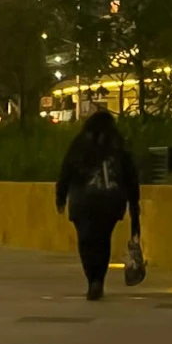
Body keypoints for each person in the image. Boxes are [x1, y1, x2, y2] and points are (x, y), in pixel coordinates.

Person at [55, 108, 141, 300]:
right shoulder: (118, 144)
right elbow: (130, 177)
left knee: (86, 241)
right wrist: (134, 206)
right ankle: (98, 280)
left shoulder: (79, 144)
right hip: (111, 202)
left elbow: (66, 170)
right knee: (103, 241)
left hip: (82, 202)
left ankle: (91, 278)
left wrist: (60, 196)